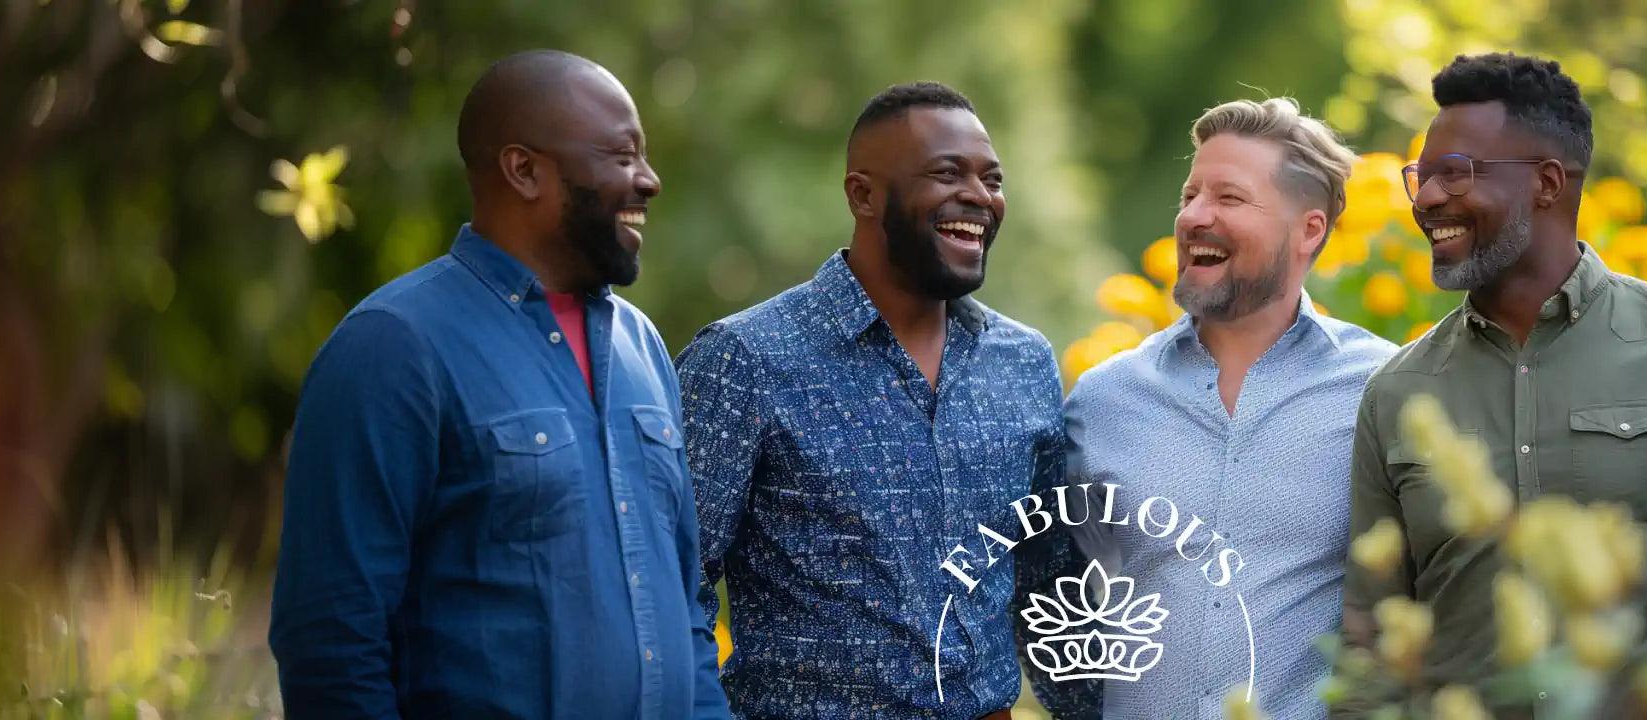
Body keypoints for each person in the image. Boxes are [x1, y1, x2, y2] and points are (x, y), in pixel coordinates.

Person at [1340, 52, 1647, 708]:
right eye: (1421, 177)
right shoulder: (1398, 395)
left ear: (1547, 182)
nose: (1428, 199)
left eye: (1454, 174)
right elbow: (1369, 665)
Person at [270, 50, 727, 718]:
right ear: (524, 170)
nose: (649, 180)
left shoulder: (643, 346)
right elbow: (330, 640)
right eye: (622, 156)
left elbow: (686, 609)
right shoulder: (392, 347)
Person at [677, 81, 1097, 719]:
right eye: (947, 173)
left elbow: (1049, 588)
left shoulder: (1023, 362)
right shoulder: (746, 359)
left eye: (992, 179)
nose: (979, 197)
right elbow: (673, 582)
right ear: (862, 194)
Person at [1063, 97, 1394, 719]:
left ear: (1310, 230)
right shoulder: (1104, 401)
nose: (1194, 216)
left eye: (1229, 198)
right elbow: (1058, 591)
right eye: (1190, 195)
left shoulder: (1381, 390)